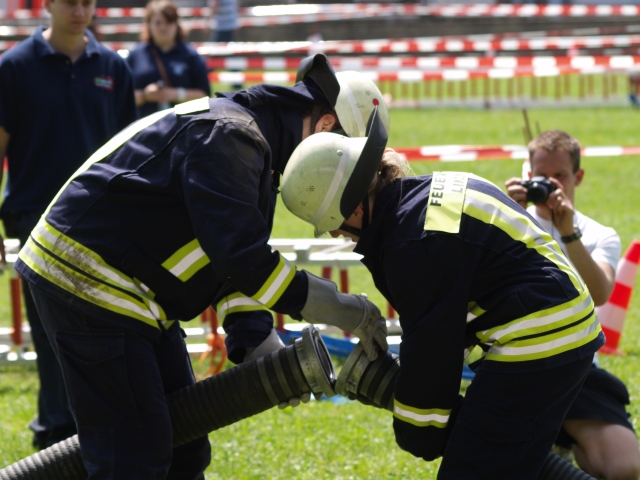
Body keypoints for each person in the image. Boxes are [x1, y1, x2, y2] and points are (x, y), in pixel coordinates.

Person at [16, 54, 390, 478]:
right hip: (89, 280)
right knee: (134, 455)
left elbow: (228, 262)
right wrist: (342, 308)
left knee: (185, 446)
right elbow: (243, 260)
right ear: (324, 127)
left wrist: (257, 340)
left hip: (128, 290)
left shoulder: (253, 145)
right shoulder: (231, 137)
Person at [280, 112, 603, 479]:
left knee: (471, 470)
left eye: (333, 225)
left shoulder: (410, 243)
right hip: (564, 322)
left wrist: (417, 430)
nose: (337, 235)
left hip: (539, 336)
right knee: (512, 461)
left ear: (353, 208)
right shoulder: (429, 192)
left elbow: (433, 349)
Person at [0, 0, 137, 449]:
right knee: (49, 331)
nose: (79, 10)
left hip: (101, 219)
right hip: (36, 216)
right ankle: (56, 433)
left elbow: (131, 151)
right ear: (48, 4)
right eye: (69, 1)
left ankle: (91, 431)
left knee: (101, 329)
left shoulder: (114, 67)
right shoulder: (14, 66)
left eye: (87, 2)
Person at [506, 130, 640, 480]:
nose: (549, 185)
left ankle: (560, 443)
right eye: (541, 176)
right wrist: (507, 215)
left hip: (577, 369)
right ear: (527, 174)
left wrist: (569, 234)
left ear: (577, 177)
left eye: (559, 176)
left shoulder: (597, 235)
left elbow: (600, 293)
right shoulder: (508, 222)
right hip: (517, 366)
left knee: (627, 468)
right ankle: (549, 447)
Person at [126, 0, 211, 118]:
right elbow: (122, 98)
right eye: (158, 23)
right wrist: (145, 95)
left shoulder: (190, 55)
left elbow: (205, 96)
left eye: (168, 22)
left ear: (176, 24)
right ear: (148, 25)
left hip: (183, 125)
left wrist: (176, 94)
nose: (163, 27)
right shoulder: (136, 55)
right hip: (144, 125)